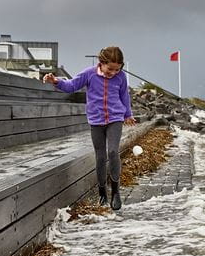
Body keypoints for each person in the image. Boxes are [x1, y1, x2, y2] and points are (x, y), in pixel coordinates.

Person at [43, 47, 136, 210]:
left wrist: (128, 114)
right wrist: (56, 81)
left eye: (117, 69)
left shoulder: (121, 77)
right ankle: (102, 194)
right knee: (100, 156)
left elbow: (124, 96)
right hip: (96, 120)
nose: (113, 73)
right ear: (101, 63)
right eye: (110, 69)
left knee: (113, 151)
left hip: (115, 118)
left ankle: (115, 191)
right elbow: (71, 86)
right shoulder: (89, 74)